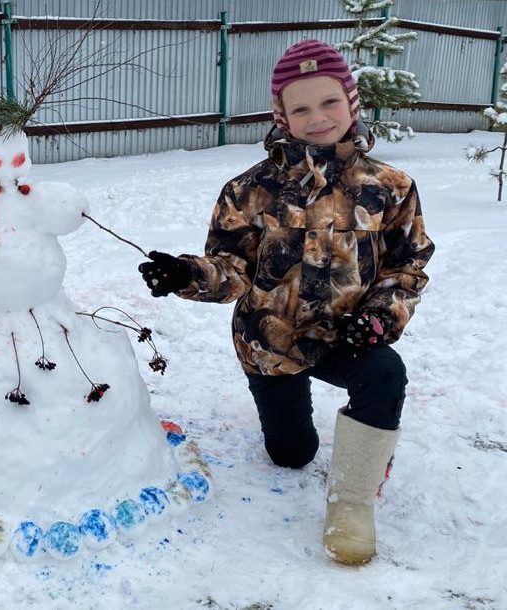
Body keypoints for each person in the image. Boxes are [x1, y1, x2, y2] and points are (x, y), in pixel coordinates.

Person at [138, 40, 434, 565]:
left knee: (385, 373)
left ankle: (352, 502)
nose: (317, 118)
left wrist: (379, 318)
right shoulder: (249, 190)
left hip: (347, 336)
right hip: (269, 342)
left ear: (352, 103)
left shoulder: (390, 188)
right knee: (292, 456)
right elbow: (231, 270)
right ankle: (292, 427)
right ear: (281, 116)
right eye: (300, 108)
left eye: (329, 102)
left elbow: (407, 265)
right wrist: (188, 274)